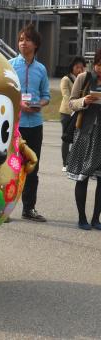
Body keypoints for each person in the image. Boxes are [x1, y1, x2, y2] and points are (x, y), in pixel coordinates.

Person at [9, 23, 50, 222]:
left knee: (32, 167)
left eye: (27, 40)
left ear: (36, 45)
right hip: (14, 125)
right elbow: (5, 92)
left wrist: (38, 104)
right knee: (10, 168)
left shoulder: (41, 69)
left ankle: (29, 208)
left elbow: (46, 96)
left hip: (34, 124)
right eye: (21, 39)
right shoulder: (10, 65)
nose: (23, 43)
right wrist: (19, 103)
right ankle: (4, 211)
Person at [66, 49, 101, 230]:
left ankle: (96, 219)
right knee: (82, 177)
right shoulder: (84, 78)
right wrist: (84, 101)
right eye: (99, 64)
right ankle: (82, 218)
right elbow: (71, 103)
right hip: (85, 133)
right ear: (94, 63)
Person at [59, 56, 86, 171]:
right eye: (77, 67)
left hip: (79, 113)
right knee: (66, 138)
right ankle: (65, 163)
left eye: (81, 67)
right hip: (67, 113)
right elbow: (66, 96)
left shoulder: (83, 79)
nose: (79, 69)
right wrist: (74, 107)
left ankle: (73, 162)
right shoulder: (66, 79)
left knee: (77, 138)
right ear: (72, 67)